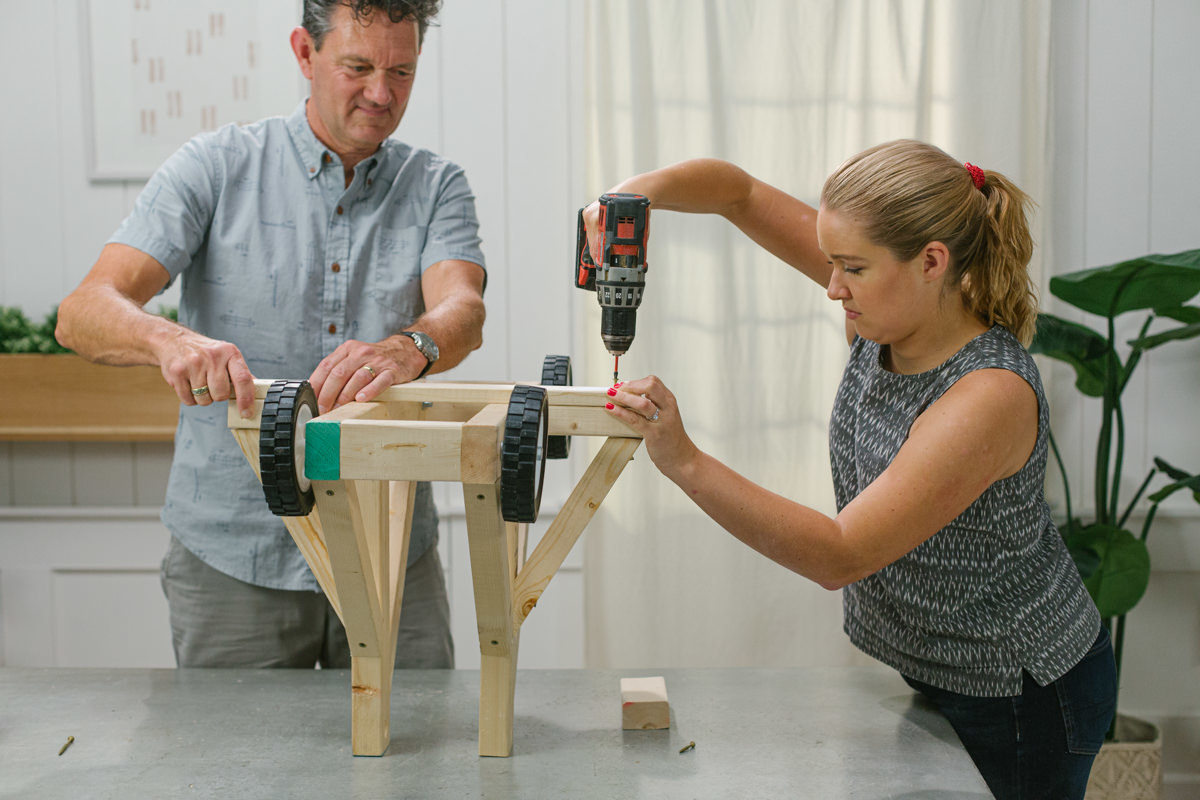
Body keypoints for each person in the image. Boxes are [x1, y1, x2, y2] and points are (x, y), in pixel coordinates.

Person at [593, 140, 1116, 799]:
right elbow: (738, 193)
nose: (832, 285)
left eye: (852, 268)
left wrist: (685, 461)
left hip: (1022, 693)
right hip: (942, 669)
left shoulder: (988, 396)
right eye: (832, 261)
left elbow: (840, 556)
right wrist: (627, 199)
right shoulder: (888, 311)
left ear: (932, 262)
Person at [56, 0, 486, 670]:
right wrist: (171, 342)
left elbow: (463, 308)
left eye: (401, 71)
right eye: (359, 66)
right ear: (303, 53)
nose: (381, 93)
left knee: (420, 766)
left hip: (390, 547)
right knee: (236, 774)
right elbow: (84, 309)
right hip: (233, 553)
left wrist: (409, 348)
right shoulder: (214, 165)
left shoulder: (435, 184)